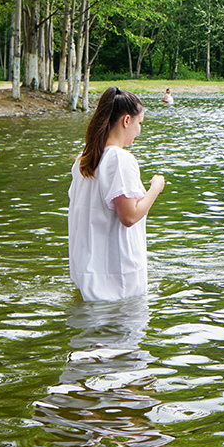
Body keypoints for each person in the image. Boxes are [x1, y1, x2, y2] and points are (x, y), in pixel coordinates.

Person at [67, 87, 166, 301]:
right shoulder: (120, 159)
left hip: (88, 278)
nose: (139, 131)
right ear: (126, 120)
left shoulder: (84, 159)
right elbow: (129, 216)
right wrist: (156, 188)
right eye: (139, 123)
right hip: (117, 285)